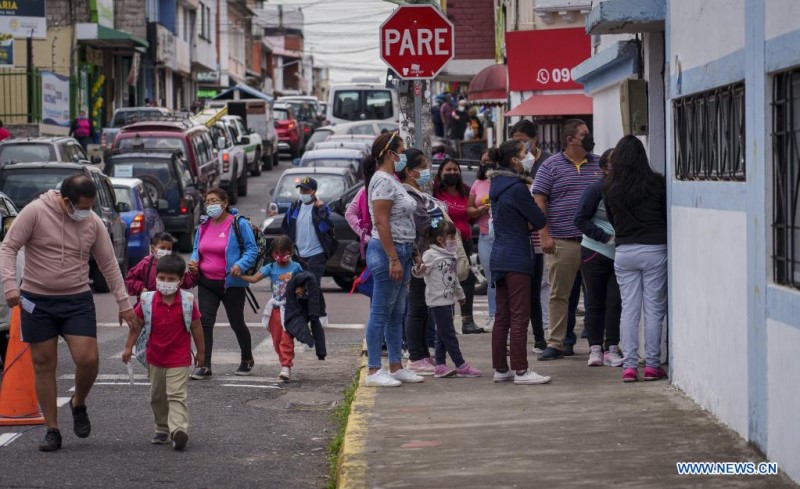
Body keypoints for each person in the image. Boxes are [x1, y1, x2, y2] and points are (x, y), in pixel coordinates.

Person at [0, 175, 140, 452]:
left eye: (91, 206)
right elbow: (8, 246)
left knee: (88, 359)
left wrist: (124, 304)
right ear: (65, 201)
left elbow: (109, 264)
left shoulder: (93, 223)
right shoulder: (35, 212)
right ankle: (52, 429)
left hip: (76, 298)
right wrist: (9, 284)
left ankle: (79, 402)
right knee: (44, 362)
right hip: (37, 300)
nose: (87, 213)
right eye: (82, 206)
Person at [532, 119, 601, 360]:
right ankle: (558, 343)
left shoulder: (599, 164)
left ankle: (599, 343)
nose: (589, 138)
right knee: (560, 294)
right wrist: (544, 234)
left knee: (596, 295)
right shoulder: (551, 166)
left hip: (596, 242)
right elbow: (539, 201)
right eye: (584, 135)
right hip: (563, 240)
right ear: (570, 140)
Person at [122, 254, 204, 451]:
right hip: (155, 358)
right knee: (157, 396)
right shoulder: (147, 301)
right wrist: (128, 348)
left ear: (180, 280)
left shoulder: (187, 301)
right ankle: (161, 428)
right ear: (156, 277)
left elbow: (196, 327)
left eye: (171, 279)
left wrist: (201, 353)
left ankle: (178, 431)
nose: (166, 283)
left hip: (179, 359)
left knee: (176, 395)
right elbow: (136, 326)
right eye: (162, 278)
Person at [603, 136, 668, 382]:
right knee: (654, 310)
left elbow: (611, 218)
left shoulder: (609, 185)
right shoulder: (656, 182)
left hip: (625, 251)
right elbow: (664, 213)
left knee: (629, 310)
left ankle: (629, 366)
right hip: (655, 250)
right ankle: (652, 365)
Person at [363, 131, 423, 387]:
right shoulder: (383, 182)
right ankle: (374, 370)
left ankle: (396, 365)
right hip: (389, 251)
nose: (403, 155)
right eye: (401, 150)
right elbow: (381, 221)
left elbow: (404, 218)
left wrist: (413, 252)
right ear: (390, 154)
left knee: (396, 312)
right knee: (380, 312)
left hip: (403, 249)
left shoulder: (392, 179)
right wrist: (393, 258)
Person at [489, 140, 549, 385]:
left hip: (499, 255)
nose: (529, 156)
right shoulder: (517, 188)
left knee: (502, 315)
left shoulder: (496, 185)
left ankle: (501, 368)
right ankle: (521, 370)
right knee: (520, 315)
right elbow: (538, 218)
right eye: (525, 153)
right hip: (517, 256)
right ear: (514, 160)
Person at [187, 188, 258, 380]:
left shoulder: (238, 223)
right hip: (206, 282)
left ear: (225, 203)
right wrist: (194, 262)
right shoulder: (203, 225)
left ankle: (247, 358)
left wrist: (240, 265)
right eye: (207, 202)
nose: (210, 205)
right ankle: (205, 365)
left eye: (214, 201)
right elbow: (196, 249)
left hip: (231, 283)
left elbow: (252, 250)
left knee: (236, 322)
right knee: (205, 323)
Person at [413, 219, 482, 378]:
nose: (454, 241)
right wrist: (418, 269)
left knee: (441, 335)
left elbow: (454, 277)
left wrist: (460, 294)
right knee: (449, 335)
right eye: (452, 238)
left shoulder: (450, 255)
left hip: (448, 301)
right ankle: (460, 364)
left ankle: (440, 365)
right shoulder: (430, 255)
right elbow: (420, 272)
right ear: (440, 240)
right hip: (437, 302)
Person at [574, 149, 623, 368]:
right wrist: (605, 237)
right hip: (595, 251)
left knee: (615, 302)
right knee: (595, 303)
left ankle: (612, 347)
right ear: (604, 169)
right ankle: (595, 349)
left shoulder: (627, 189)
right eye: (614, 165)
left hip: (621, 254)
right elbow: (580, 219)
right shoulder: (595, 189)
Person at [240, 235, 303, 381]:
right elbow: (254, 279)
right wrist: (240, 275)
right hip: (275, 309)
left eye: (283, 253)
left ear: (290, 252)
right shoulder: (270, 268)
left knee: (286, 338)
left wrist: (300, 289)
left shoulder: (296, 267)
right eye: (277, 254)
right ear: (273, 253)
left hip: (290, 310)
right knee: (276, 340)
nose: (280, 257)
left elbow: (303, 282)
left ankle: (286, 366)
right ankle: (283, 361)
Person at [399, 148, 438, 375]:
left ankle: (422, 354)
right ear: (409, 171)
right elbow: (424, 224)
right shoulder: (408, 196)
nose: (426, 171)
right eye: (422, 167)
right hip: (418, 256)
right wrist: (441, 227)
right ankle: (415, 356)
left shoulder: (418, 193)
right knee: (416, 308)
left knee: (423, 309)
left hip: (425, 255)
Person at [434, 157, 483, 334]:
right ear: (440, 173)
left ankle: (467, 321)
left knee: (466, 279)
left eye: (455, 170)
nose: (452, 173)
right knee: (445, 282)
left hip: (465, 244)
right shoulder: (435, 192)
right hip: (443, 245)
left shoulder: (466, 191)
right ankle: (445, 324)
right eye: (448, 170)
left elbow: (472, 215)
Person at [281, 177, 337, 325]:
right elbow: (287, 227)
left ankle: (317, 316)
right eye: (301, 189)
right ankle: (310, 312)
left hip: (317, 253)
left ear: (313, 191)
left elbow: (327, 227)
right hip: (299, 254)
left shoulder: (320, 208)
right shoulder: (294, 207)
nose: (303, 192)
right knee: (299, 285)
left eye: (306, 190)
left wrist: (322, 209)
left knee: (313, 284)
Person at [468, 149, 496, 331]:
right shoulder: (478, 183)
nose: (486, 165)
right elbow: (469, 209)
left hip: (504, 235)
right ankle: (494, 315)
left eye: (490, 161)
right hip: (485, 235)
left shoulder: (503, 181)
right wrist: (480, 211)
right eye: (483, 161)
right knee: (491, 278)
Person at [125, 232, 198, 302]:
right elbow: (130, 279)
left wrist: (194, 273)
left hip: (170, 306)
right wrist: (141, 288)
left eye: (169, 249)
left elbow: (185, 281)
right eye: (162, 248)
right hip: (148, 305)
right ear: (153, 248)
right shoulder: (145, 264)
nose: (166, 251)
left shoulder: (173, 264)